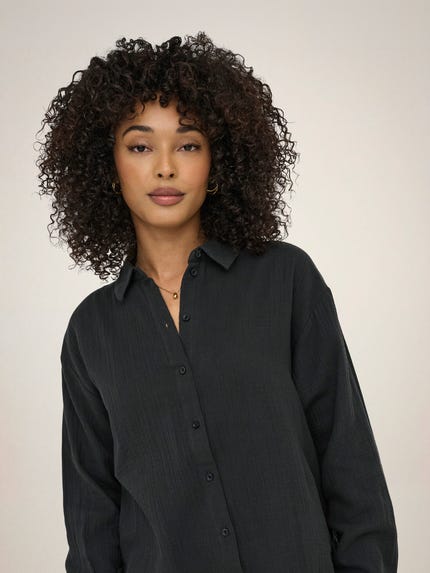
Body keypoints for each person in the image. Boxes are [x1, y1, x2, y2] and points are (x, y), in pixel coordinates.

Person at [36, 32, 398, 573]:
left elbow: (351, 467)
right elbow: (93, 522)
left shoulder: (285, 280)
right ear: (107, 168)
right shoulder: (91, 331)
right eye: (140, 146)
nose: (165, 167)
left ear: (218, 160)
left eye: (188, 145)